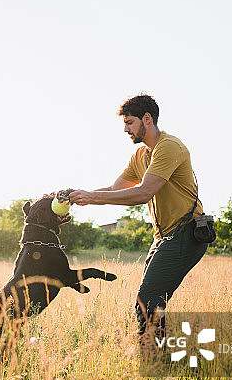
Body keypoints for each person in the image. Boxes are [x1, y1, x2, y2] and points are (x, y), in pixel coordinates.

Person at [68, 94, 207, 339]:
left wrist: (91, 198)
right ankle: (157, 358)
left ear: (147, 119)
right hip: (164, 237)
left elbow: (144, 193)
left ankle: (155, 361)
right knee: (151, 300)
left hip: (186, 233)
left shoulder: (169, 147)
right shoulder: (140, 156)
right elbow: (114, 190)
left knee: (148, 300)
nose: (125, 129)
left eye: (130, 122)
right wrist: (76, 195)